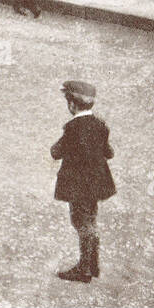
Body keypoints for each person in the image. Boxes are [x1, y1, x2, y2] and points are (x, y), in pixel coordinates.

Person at [50, 80, 115, 283]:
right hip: (96, 183)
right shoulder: (100, 124)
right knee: (91, 221)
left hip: (78, 185)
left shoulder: (73, 128)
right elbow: (109, 152)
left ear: (72, 104)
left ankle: (84, 269)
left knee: (81, 222)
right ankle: (93, 264)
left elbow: (55, 152)